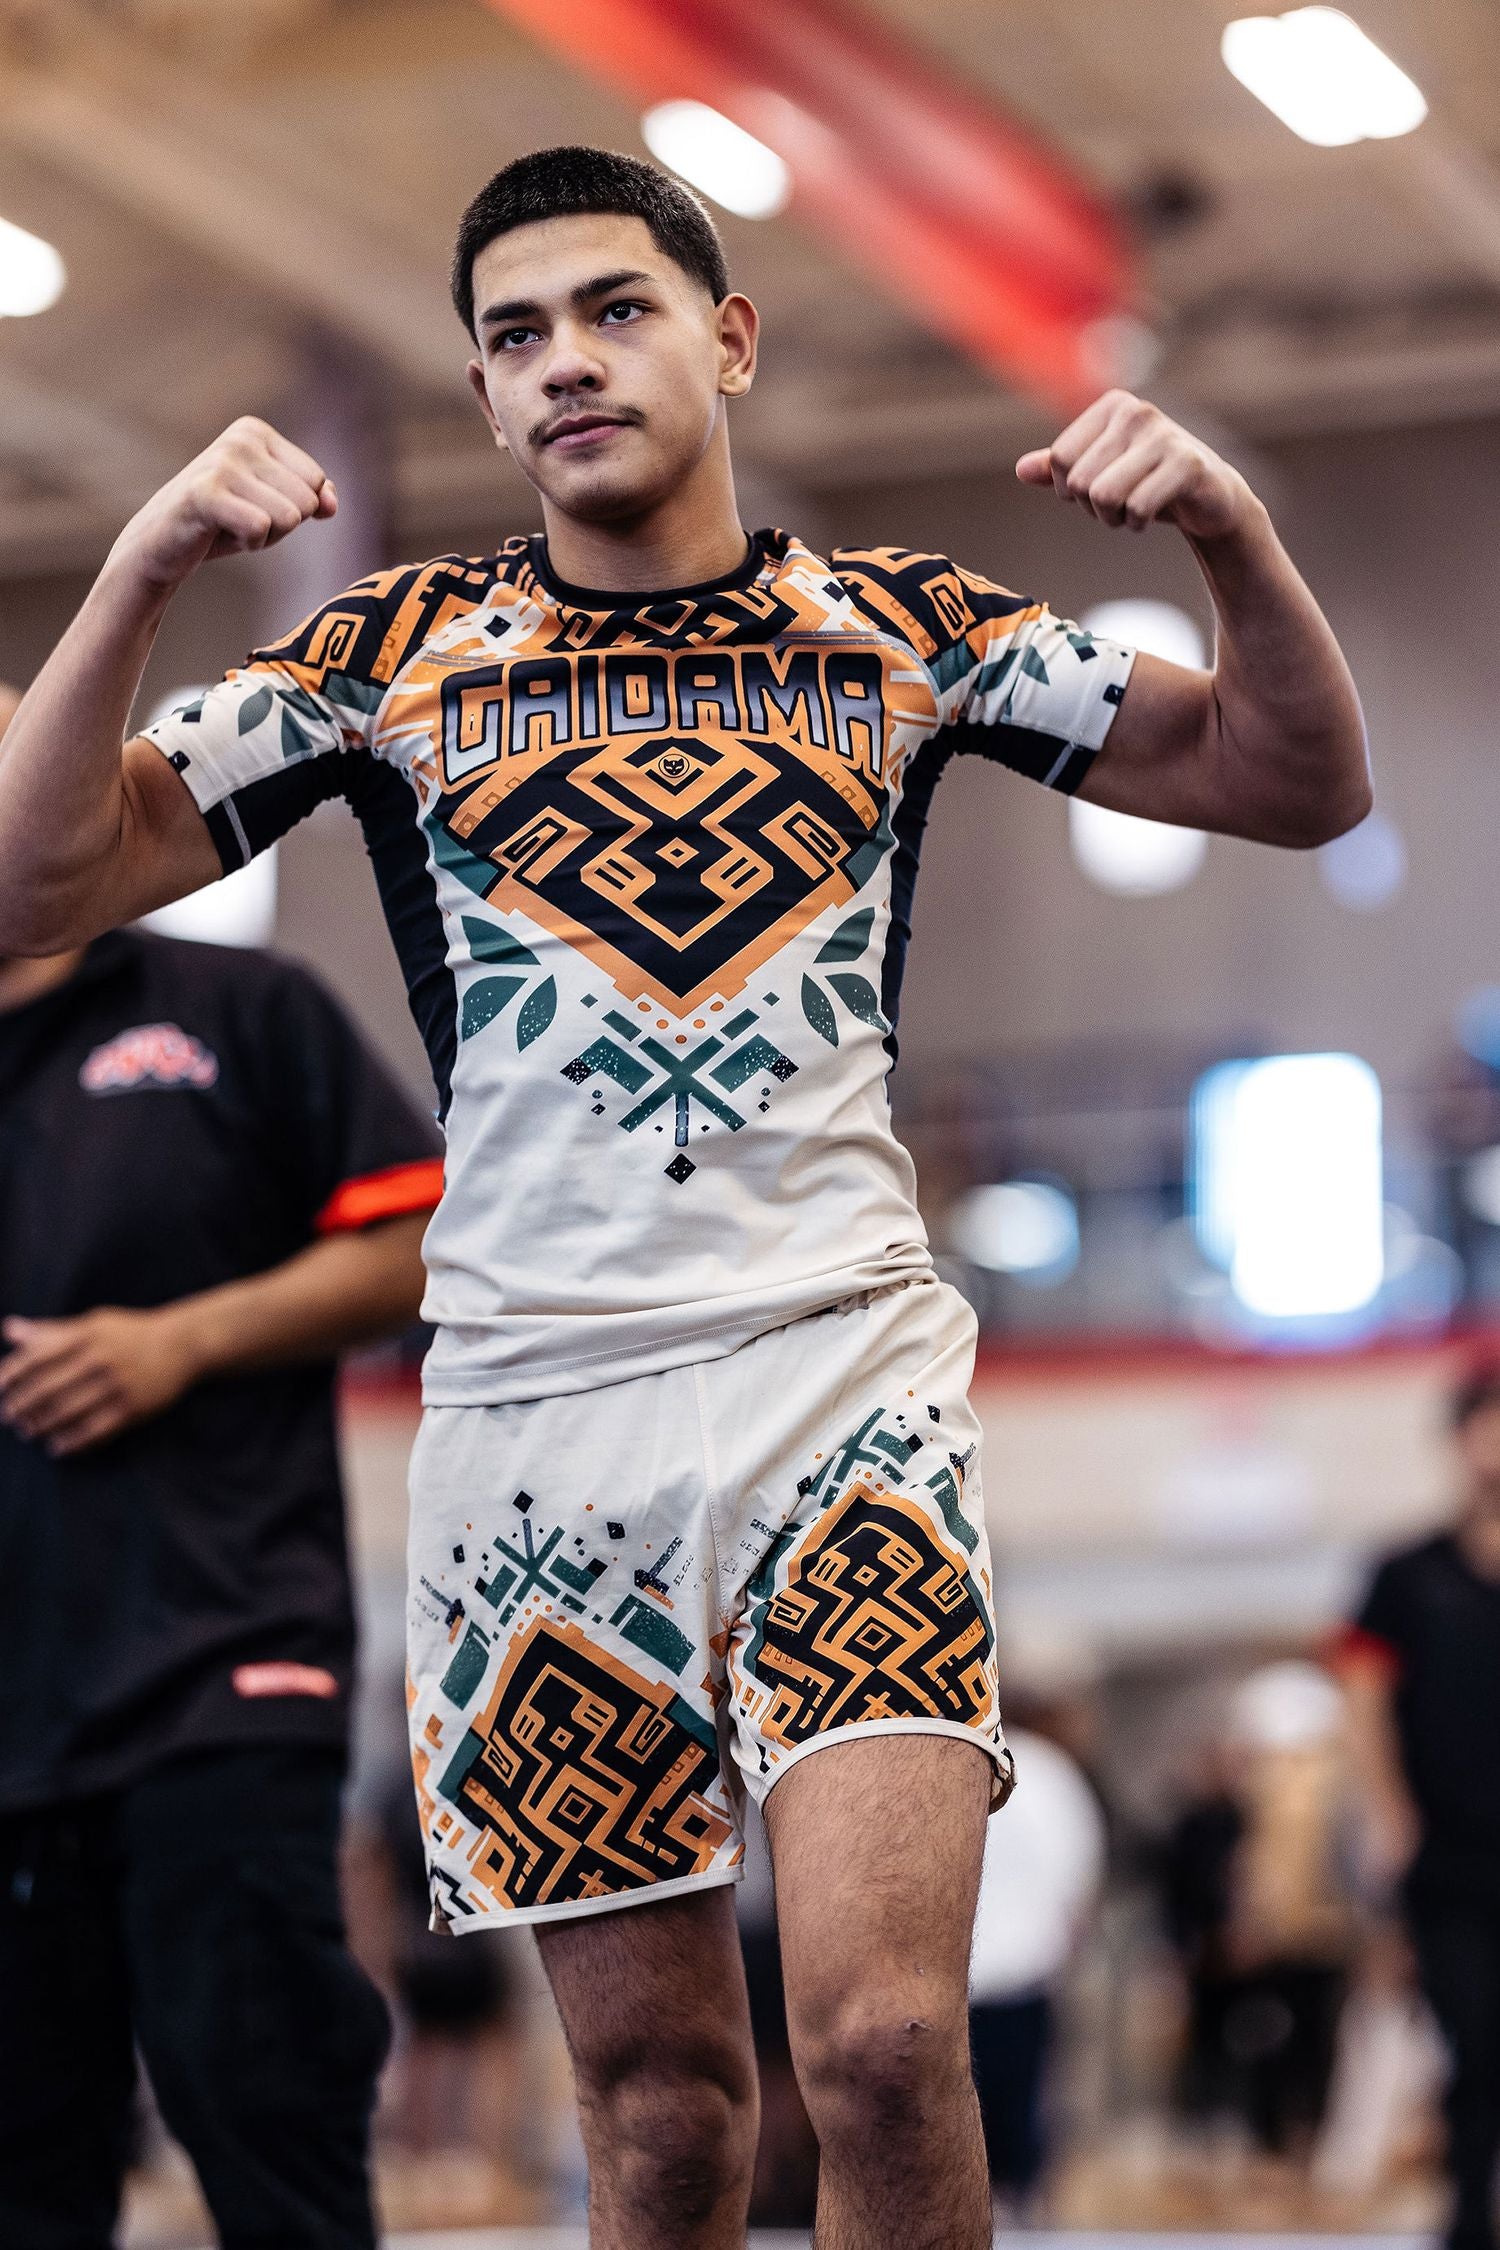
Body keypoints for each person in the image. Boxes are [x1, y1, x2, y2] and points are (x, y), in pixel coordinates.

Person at [0, 146, 1369, 2249]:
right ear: (483, 399)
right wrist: (144, 567)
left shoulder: (908, 630)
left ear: (728, 339)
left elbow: (1295, 781)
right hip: (538, 1431)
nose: (566, 361)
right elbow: (37, 883)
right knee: (658, 2118)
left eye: (615, 309)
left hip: (844, 1389)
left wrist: (1229, 532)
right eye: (515, 336)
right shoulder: (387, 657)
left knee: (887, 2048)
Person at [0, 679, 445, 2249]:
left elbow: (419, 1243)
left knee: (270, 2128)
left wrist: (180, 1340)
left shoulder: (237, 1012)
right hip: (12, 1714)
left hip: (217, 1674)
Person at [1338, 1364, 1500, 2250]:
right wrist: (1387, 1810)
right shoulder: (1406, 1575)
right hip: (1447, 1856)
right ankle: (1468, 2217)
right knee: (1473, 2039)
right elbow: (1363, 1697)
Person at [968, 1722, 1105, 2217]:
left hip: (987, 1973)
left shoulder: (1040, 1772)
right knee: (1016, 2104)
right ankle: (1017, 2200)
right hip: (1020, 1969)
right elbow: (1079, 1869)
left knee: (987, 2107)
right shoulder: (1048, 1771)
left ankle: (1004, 2200)